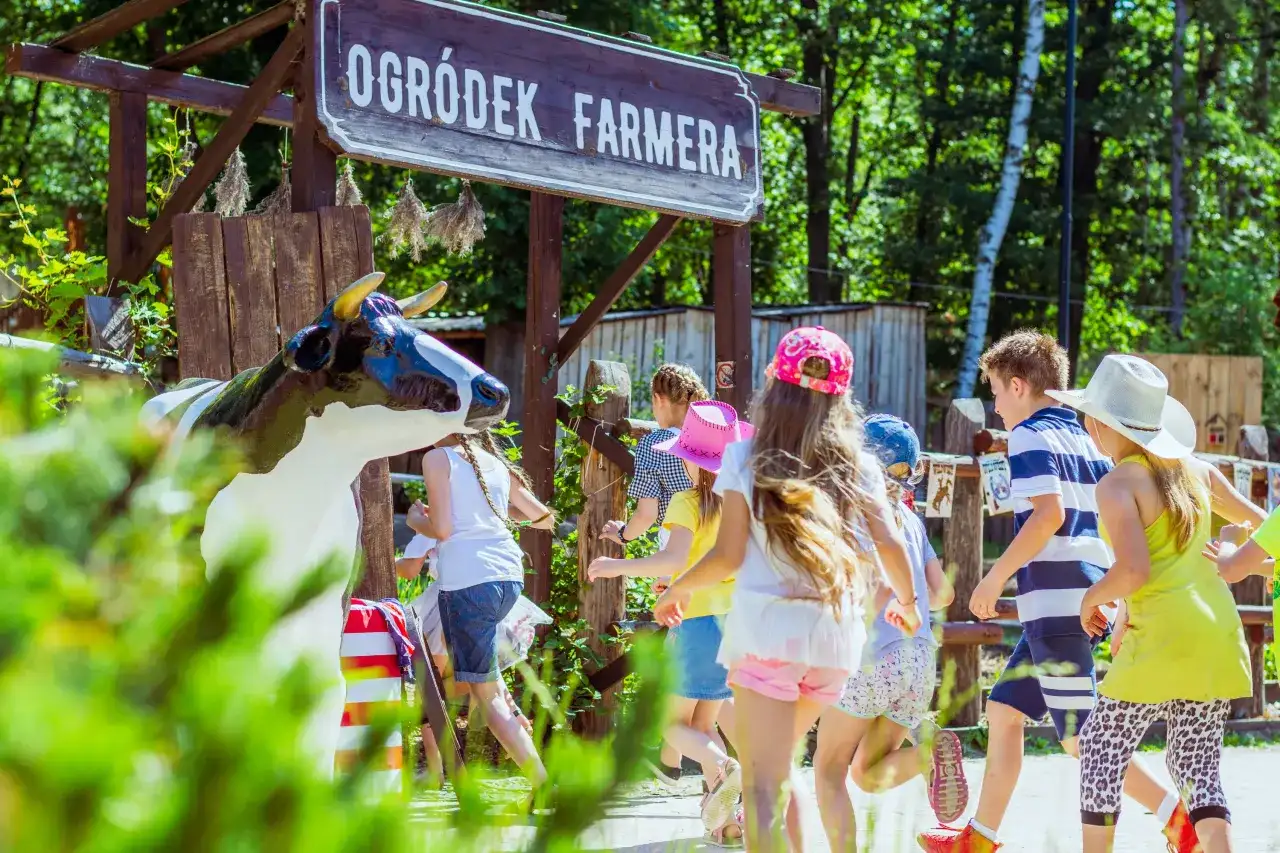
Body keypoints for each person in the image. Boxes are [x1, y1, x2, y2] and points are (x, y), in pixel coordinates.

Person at [919, 334, 1197, 853]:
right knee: (1004, 713)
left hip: (1056, 600)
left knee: (1080, 739)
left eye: (998, 392)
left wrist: (994, 576)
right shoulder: (1087, 437)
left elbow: (1049, 516)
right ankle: (979, 839)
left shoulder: (1027, 436)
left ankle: (1180, 823)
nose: (996, 406)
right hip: (1084, 593)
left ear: (1020, 386)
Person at [653, 327, 923, 853]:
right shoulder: (857, 464)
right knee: (782, 766)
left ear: (774, 381)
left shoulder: (746, 458)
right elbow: (889, 543)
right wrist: (909, 606)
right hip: (833, 644)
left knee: (763, 779)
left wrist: (676, 590)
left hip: (766, 636)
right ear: (842, 397)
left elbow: (727, 555)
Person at [1046, 354, 1262, 853]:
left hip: (1161, 637)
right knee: (1195, 766)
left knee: (1101, 748)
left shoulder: (1117, 483)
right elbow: (1262, 528)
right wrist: (1241, 559)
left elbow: (1134, 571)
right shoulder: (1198, 473)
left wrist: (1092, 598)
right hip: (1216, 634)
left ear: (1098, 424)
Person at [588, 400, 752, 843]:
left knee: (668, 721)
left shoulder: (687, 501)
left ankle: (724, 767)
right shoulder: (738, 504)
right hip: (734, 626)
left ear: (691, 459)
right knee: (701, 726)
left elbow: (675, 557)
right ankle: (725, 823)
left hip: (696, 623)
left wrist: (615, 565)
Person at [814, 414, 965, 852]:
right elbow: (943, 594)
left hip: (870, 655)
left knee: (828, 767)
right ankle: (928, 751)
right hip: (918, 660)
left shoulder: (851, 511)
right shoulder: (912, 523)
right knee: (866, 773)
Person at [405, 428, 555, 784]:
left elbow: (440, 529)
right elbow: (544, 518)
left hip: (468, 581)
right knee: (486, 679)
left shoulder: (437, 458)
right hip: (508, 578)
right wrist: (489, 517)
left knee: (486, 700)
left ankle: (542, 785)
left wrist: (414, 521)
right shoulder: (495, 462)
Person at [396, 534, 551, 781]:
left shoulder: (432, 521)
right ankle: (513, 714)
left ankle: (436, 770)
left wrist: (389, 562)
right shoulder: (477, 518)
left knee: (432, 689)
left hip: (445, 603)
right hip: (485, 594)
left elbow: (410, 570)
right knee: (485, 676)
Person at [602, 363, 709, 549]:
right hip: (715, 538)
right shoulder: (709, 437)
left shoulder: (655, 444)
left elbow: (647, 514)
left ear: (658, 399)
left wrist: (623, 535)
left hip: (677, 541)